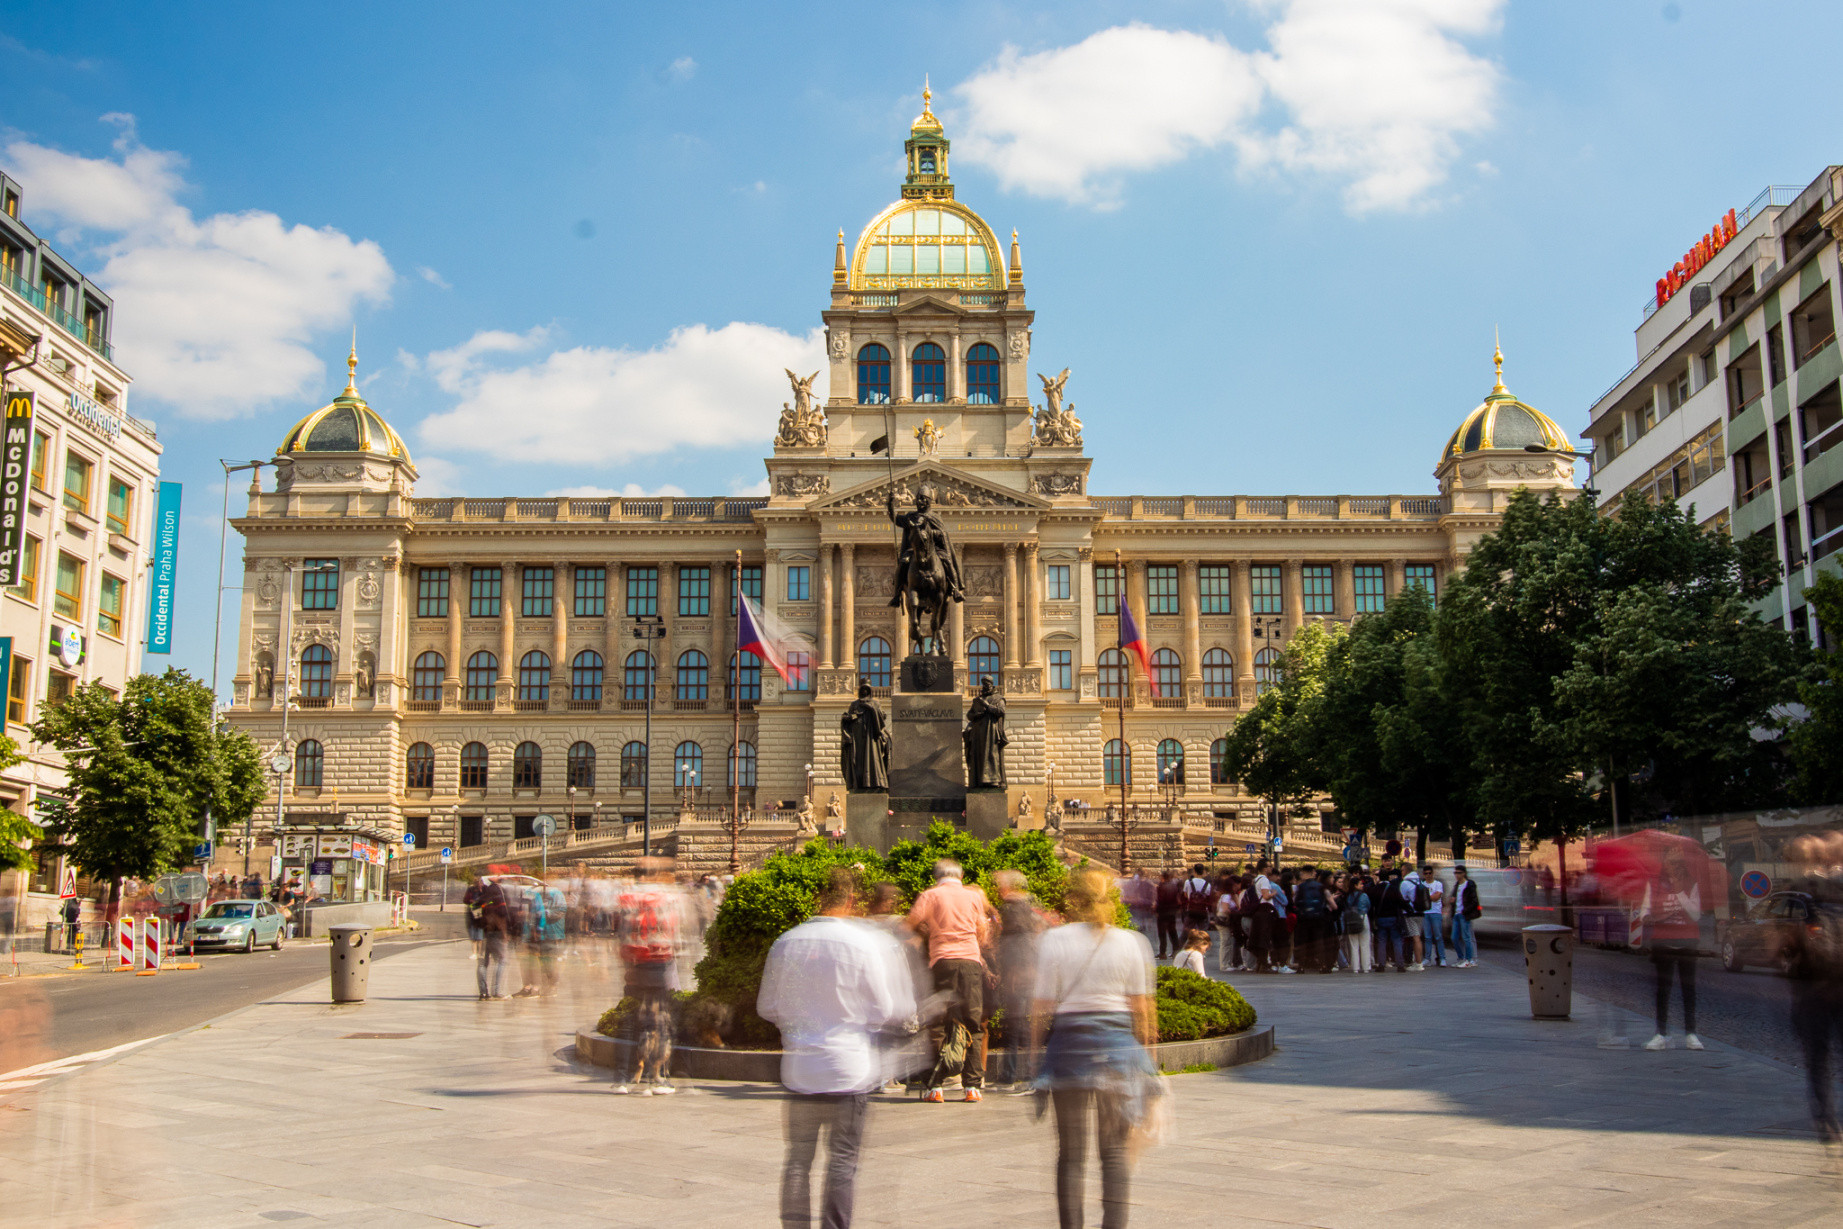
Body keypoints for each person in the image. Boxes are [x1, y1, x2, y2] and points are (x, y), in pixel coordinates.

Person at [758, 866, 915, 1229]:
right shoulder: (861, 943)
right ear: (850, 900)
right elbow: (883, 1009)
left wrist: (797, 1025)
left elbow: (767, 1006)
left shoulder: (786, 942)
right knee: (842, 1161)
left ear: (815, 897)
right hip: (849, 1067)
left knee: (797, 1161)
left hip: (800, 1070)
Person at [1032, 867, 1161, 1229]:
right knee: (1115, 1153)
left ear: (1072, 900)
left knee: (1071, 1154)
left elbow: (1040, 1006)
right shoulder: (1132, 942)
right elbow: (1143, 1010)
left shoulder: (1054, 941)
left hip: (1069, 1047)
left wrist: (1033, 1054)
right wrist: (1148, 1060)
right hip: (1118, 1050)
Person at [906, 859, 993, 1103]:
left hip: (941, 962)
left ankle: (935, 1088)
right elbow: (982, 931)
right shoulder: (973, 896)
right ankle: (972, 1087)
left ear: (937, 876)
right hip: (970, 963)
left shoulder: (930, 895)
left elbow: (910, 923)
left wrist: (925, 933)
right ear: (961, 875)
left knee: (937, 1024)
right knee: (973, 1024)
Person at [613, 858, 686, 1094]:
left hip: (634, 965)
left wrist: (627, 965)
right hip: (660, 964)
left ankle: (622, 1079)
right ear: (658, 874)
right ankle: (658, 1079)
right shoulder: (668, 897)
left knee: (630, 1022)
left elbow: (620, 932)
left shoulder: (627, 897)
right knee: (660, 1021)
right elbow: (677, 934)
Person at [1640, 849, 1703, 1051]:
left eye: (1677, 863)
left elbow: (1695, 915)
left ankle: (1691, 1034)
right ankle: (1661, 1034)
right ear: (1664, 864)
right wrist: (1647, 918)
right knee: (1663, 990)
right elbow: (1644, 910)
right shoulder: (1655, 884)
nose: (1673, 867)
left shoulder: (1691, 884)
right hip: (1663, 942)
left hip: (1687, 942)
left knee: (1688, 990)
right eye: (1670, 862)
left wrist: (1678, 891)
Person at [993, 869, 1046, 1090]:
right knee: (1021, 1023)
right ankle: (1029, 1073)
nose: (997, 888)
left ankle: (1013, 1075)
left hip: (1019, 972)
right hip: (1028, 970)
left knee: (1016, 1024)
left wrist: (1015, 971)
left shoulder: (1012, 908)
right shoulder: (1029, 906)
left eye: (999, 884)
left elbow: (1018, 941)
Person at [474, 877, 512, 1000]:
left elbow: (475, 910)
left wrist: (480, 922)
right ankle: (496, 991)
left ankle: (483, 993)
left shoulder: (481, 896)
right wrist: (504, 931)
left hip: (484, 932)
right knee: (502, 960)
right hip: (495, 932)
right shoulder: (496, 893)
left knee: (482, 963)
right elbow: (502, 914)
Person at [1292, 870, 1332, 973]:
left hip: (1304, 918)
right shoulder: (1320, 886)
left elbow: (1296, 901)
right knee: (1319, 941)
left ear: (1305, 874)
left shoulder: (1301, 887)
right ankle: (1323, 965)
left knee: (1303, 942)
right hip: (1318, 918)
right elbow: (1325, 901)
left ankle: (1301, 966)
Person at [1373, 870, 1407, 972]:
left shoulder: (1376, 889)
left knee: (1382, 941)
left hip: (1380, 918)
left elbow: (1372, 903)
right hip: (1393, 918)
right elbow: (1401, 902)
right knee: (1397, 940)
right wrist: (1409, 909)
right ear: (1388, 878)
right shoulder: (1394, 889)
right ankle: (1400, 965)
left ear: (1379, 878)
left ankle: (1381, 964)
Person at [1448, 866, 1480, 968]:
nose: (1457, 875)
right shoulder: (1457, 885)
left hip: (1464, 915)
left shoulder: (1469, 884)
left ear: (1464, 873)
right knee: (1454, 938)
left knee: (1466, 938)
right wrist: (1452, 902)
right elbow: (1453, 899)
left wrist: (1465, 911)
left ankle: (1469, 960)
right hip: (1456, 915)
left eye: (1459, 873)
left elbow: (1474, 901)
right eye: (1455, 873)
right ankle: (1461, 958)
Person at [1341, 875, 1372, 973]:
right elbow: (1368, 906)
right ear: (1355, 885)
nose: (1362, 885)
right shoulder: (1364, 895)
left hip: (1351, 920)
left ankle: (1355, 967)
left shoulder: (1348, 896)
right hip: (1362, 917)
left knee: (1353, 945)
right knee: (1365, 943)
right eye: (1360, 884)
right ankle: (1366, 967)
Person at [1400, 867, 1428, 971]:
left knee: (1415, 938)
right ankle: (1418, 961)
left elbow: (1403, 898)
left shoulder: (1405, 883)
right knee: (1418, 937)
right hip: (1421, 912)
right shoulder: (1420, 881)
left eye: (1402, 870)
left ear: (1405, 871)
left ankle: (1418, 963)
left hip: (1410, 913)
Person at [1178, 865, 1213, 941]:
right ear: (1203, 871)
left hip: (1191, 910)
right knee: (1202, 934)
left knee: (1185, 933)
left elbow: (1185, 895)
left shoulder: (1188, 882)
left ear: (1194, 871)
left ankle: (1179, 950)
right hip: (1203, 912)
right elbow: (1208, 897)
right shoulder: (1207, 885)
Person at [1152, 871, 1181, 961]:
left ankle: (1162, 953)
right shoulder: (1174, 886)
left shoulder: (1161, 887)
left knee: (1162, 933)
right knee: (1173, 932)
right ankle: (1176, 951)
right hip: (1172, 912)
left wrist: (1156, 911)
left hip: (1163, 912)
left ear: (1163, 877)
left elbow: (1160, 900)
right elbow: (1177, 899)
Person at [1421, 868, 1447, 968]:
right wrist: (1430, 896)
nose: (1428, 875)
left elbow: (1436, 897)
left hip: (1436, 912)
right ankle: (1427, 958)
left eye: (1430, 873)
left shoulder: (1438, 884)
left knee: (1438, 936)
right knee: (1427, 937)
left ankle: (1442, 958)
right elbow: (1423, 898)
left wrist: (1426, 896)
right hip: (1425, 912)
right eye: (1426, 873)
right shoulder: (1422, 884)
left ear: (1433, 873)